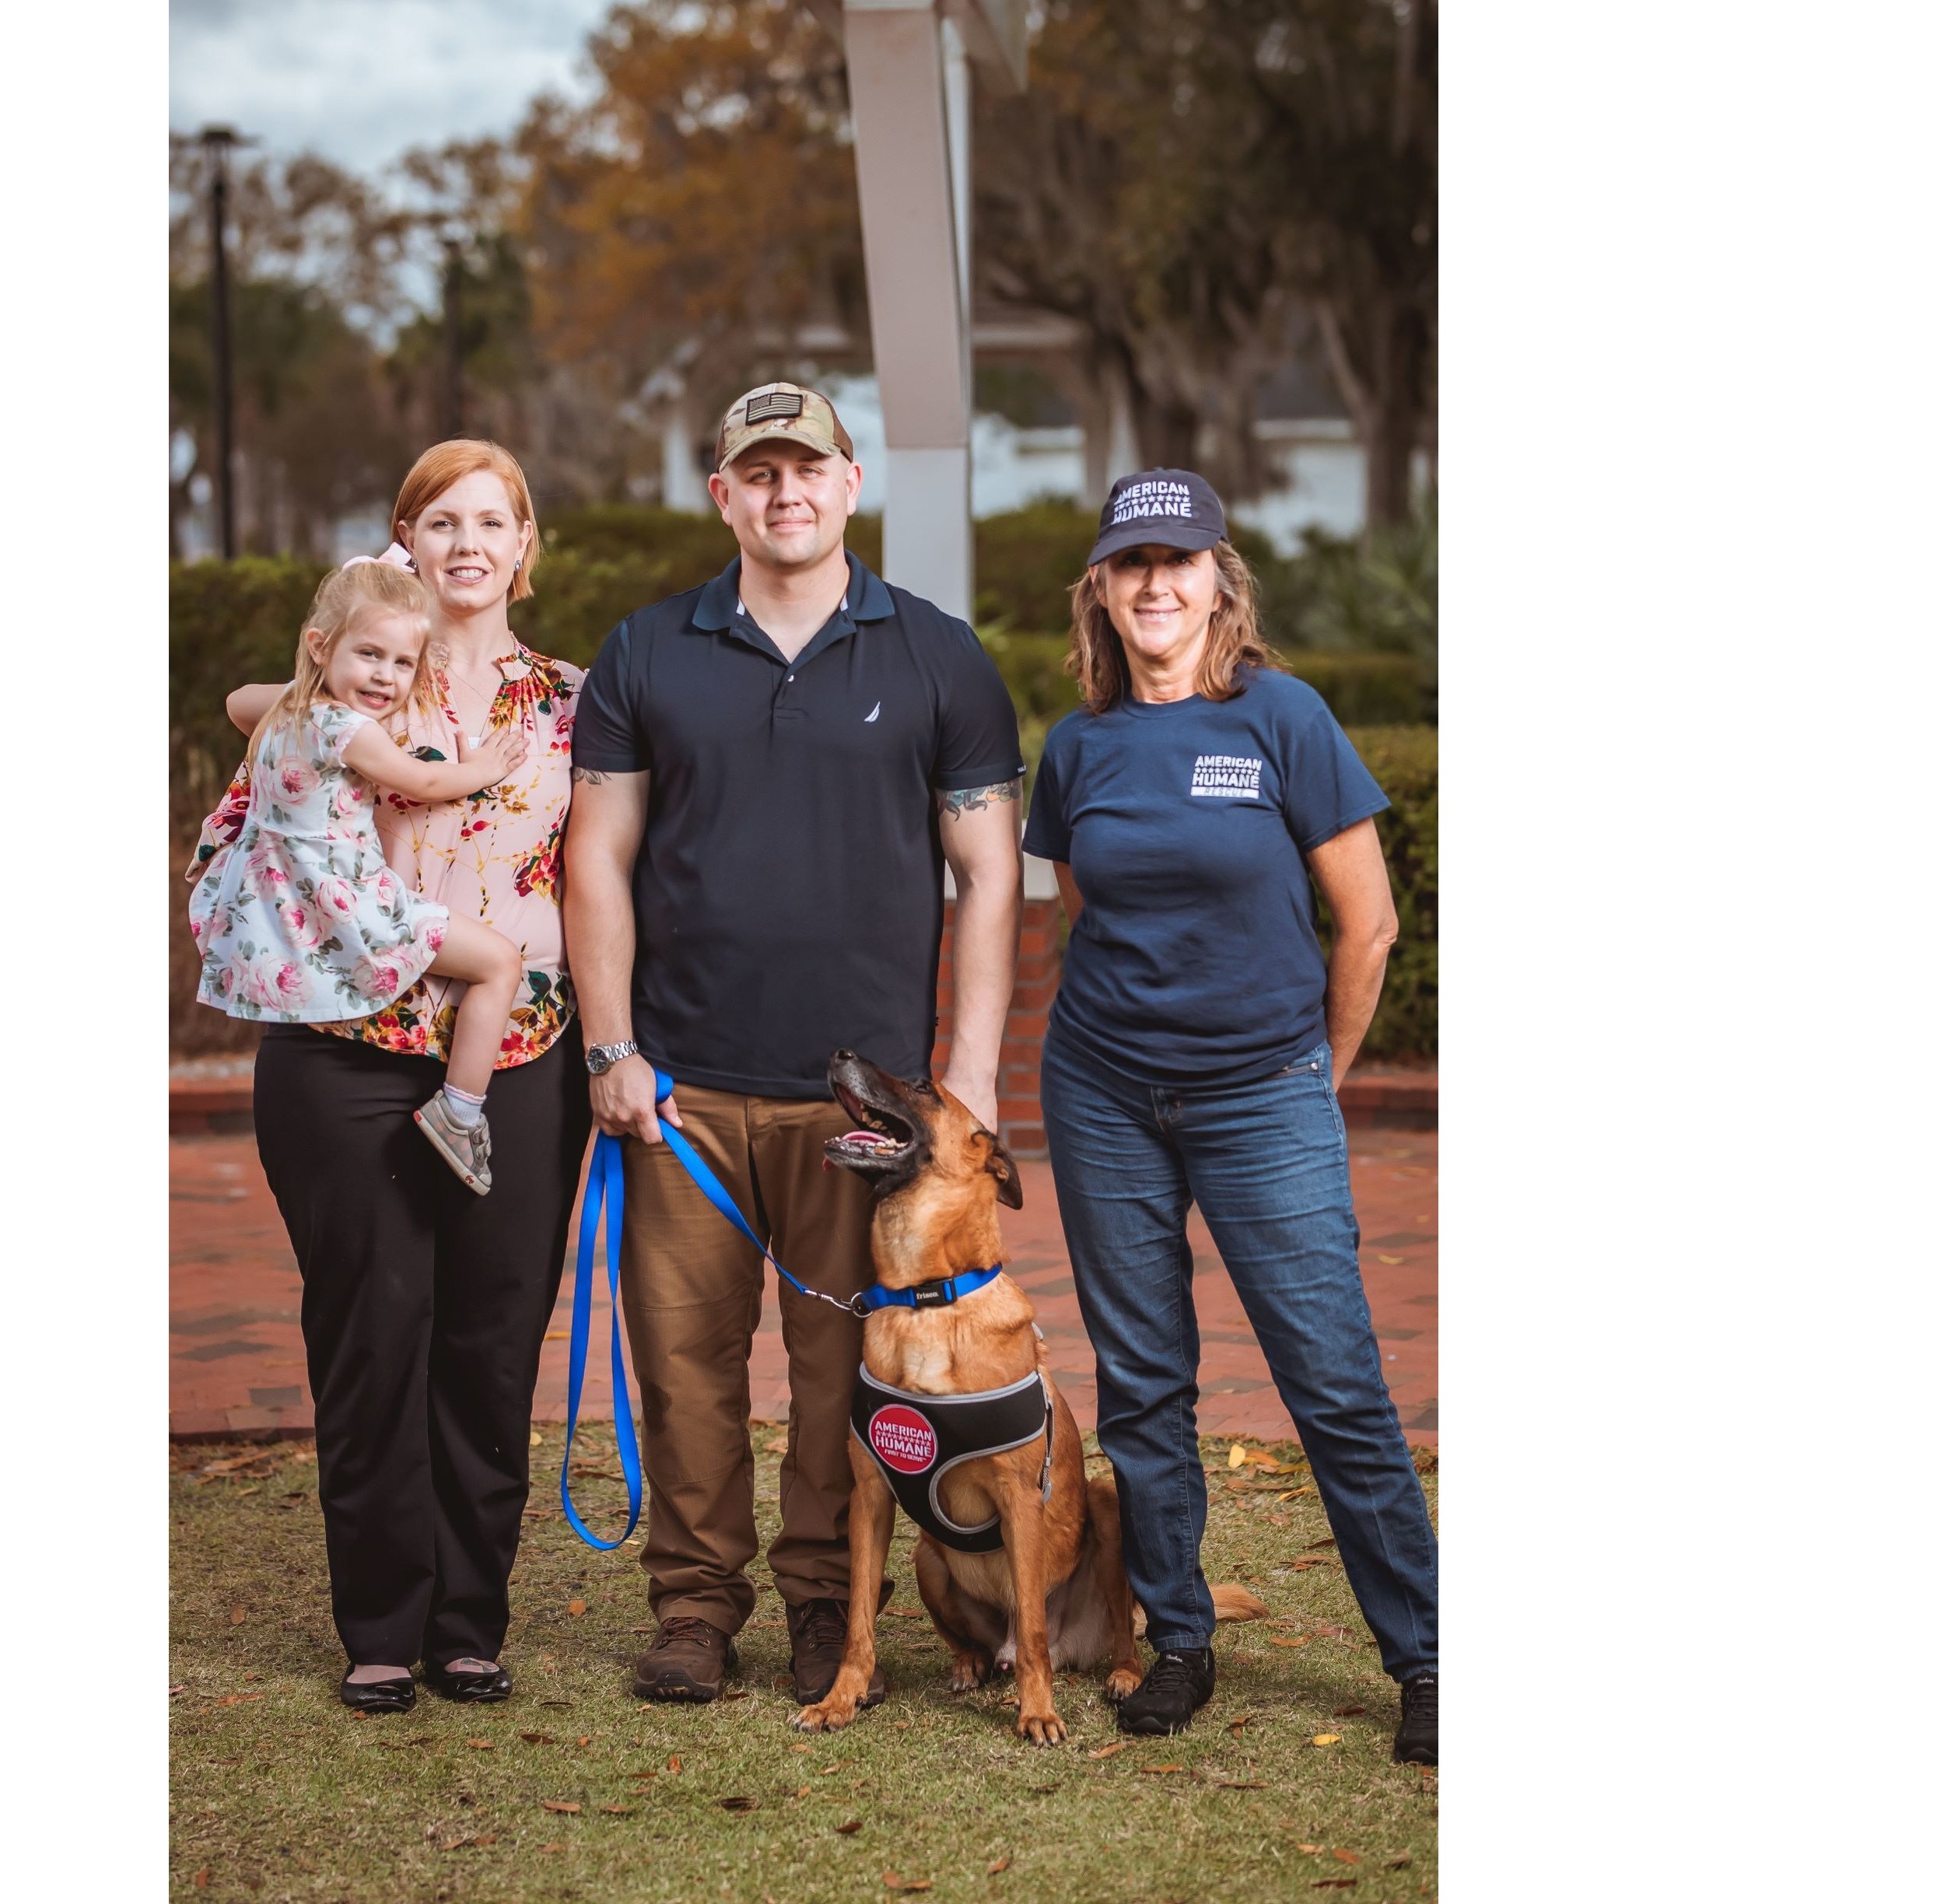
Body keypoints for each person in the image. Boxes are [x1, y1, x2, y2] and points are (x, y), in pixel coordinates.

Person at [565, 382, 1027, 1709]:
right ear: (722, 494)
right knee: (684, 1362)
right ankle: (697, 1606)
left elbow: (986, 875)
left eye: (806, 469)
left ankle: (829, 1602)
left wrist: (972, 1079)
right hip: (681, 1089)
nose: (784, 493)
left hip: (865, 1112)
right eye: (756, 473)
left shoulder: (938, 656)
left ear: (848, 482)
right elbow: (595, 857)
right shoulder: (646, 650)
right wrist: (611, 1046)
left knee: (845, 1372)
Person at [1017, 468, 1441, 1765]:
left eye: (1178, 559)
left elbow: (1365, 923)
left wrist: (1312, 1067)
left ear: (1217, 577)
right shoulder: (1079, 742)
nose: (1155, 581)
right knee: (1143, 1383)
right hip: (1099, 1091)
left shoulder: (1279, 715)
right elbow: (1090, 904)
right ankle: (1179, 1638)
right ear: (1102, 583)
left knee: (1333, 1381)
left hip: (1261, 1093)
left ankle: (1425, 1657)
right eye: (1130, 561)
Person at [194, 440, 592, 1713]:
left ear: (524, 549)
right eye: (441, 521)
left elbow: (615, 873)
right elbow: (251, 768)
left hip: (519, 1053)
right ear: (401, 541)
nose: (469, 542)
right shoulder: (350, 680)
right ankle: (380, 1622)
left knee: (486, 1343)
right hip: (343, 1054)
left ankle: (467, 1623)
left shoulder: (575, 701)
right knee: (374, 1336)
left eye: (494, 521)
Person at [188, 557, 532, 1188]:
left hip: (286, 899)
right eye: (369, 654)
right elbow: (425, 780)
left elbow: (238, 702)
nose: (385, 676)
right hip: (347, 899)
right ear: (320, 646)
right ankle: (460, 1111)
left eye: (403, 664)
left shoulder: (284, 715)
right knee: (500, 964)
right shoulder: (347, 729)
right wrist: (484, 766)